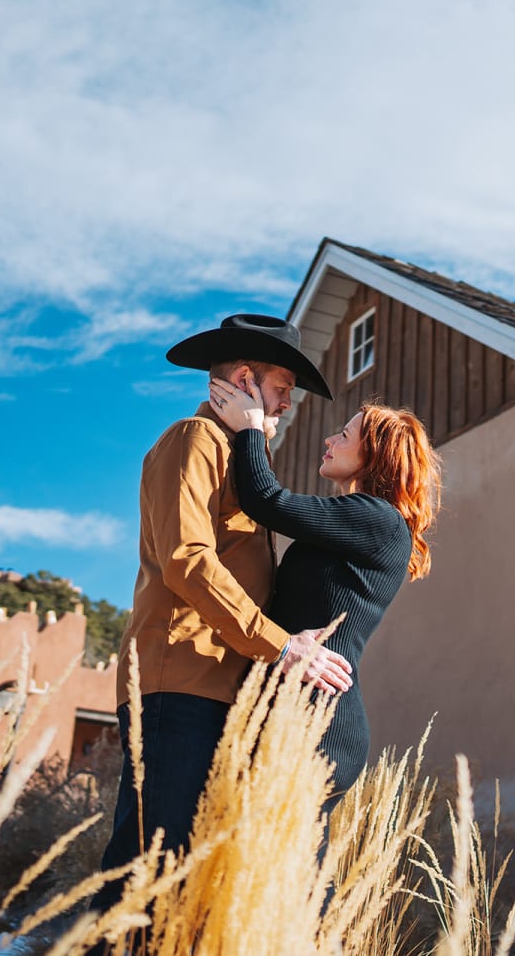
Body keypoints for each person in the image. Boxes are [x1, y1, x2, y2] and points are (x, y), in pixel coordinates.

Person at [92, 314, 354, 912]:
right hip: (178, 682)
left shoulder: (239, 456)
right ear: (244, 378)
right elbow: (187, 560)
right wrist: (284, 646)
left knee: (185, 885)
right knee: (148, 876)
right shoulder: (194, 438)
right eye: (283, 389)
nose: (288, 405)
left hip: (216, 690)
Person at [206, 374, 441, 808]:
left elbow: (267, 501)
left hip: (318, 723)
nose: (330, 439)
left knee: (291, 874)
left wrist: (252, 429)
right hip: (301, 712)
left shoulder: (377, 519)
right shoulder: (363, 522)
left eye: (346, 435)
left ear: (375, 455)